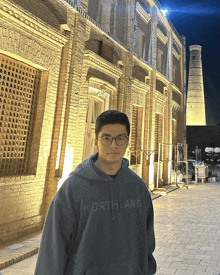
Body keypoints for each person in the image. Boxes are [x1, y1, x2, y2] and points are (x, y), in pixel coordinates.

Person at [34, 110, 156, 275]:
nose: (114, 145)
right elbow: (52, 249)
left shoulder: (137, 188)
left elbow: (147, 243)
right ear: (96, 140)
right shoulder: (73, 189)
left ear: (127, 141)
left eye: (120, 138)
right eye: (106, 138)